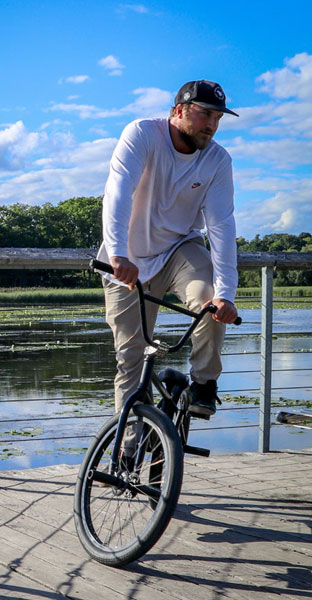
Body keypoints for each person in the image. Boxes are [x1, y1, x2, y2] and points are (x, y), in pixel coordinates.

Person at [96, 80, 239, 418]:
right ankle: (128, 452)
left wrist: (227, 294)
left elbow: (221, 226)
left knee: (210, 301)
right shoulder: (143, 134)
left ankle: (203, 384)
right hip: (127, 259)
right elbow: (117, 191)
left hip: (180, 249)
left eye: (218, 118)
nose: (212, 125)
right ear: (178, 111)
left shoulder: (218, 160)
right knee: (130, 359)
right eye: (204, 114)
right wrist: (117, 254)